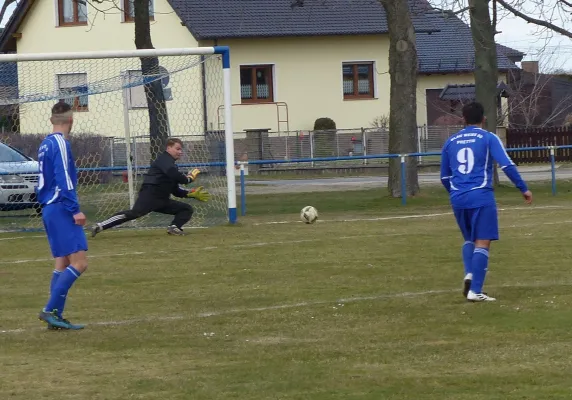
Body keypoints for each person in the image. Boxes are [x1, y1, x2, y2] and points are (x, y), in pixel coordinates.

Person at [440, 101, 533, 302]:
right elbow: (506, 164)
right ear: (484, 118)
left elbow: (444, 177)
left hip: (457, 198)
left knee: (469, 239)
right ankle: (476, 291)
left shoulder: (450, 141)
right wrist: (523, 188)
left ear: (463, 119)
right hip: (480, 196)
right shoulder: (488, 137)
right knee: (483, 241)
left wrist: (455, 193)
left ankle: (469, 273)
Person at [90, 138, 210, 237]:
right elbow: (173, 174)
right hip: (150, 195)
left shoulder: (172, 165)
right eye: (177, 149)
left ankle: (174, 228)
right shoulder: (164, 159)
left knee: (186, 209)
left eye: (181, 150)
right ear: (168, 148)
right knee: (134, 213)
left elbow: (175, 190)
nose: (180, 152)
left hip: (162, 200)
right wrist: (188, 179)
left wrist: (190, 193)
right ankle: (100, 226)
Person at [37, 101, 88, 330]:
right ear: (71, 121)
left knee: (62, 263)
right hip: (60, 207)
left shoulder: (45, 144)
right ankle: (50, 310)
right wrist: (74, 208)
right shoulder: (60, 143)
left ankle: (55, 317)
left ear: (51, 121)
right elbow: (63, 177)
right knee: (79, 263)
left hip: (48, 207)